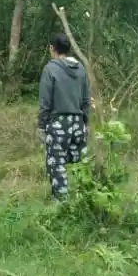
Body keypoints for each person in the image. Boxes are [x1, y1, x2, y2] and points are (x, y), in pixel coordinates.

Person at [37, 33, 92, 202]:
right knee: (83, 164)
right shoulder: (81, 69)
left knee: (57, 165)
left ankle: (61, 204)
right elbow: (86, 99)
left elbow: (45, 101)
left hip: (58, 124)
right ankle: (88, 198)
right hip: (78, 122)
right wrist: (86, 122)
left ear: (52, 48)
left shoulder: (50, 69)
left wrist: (41, 125)